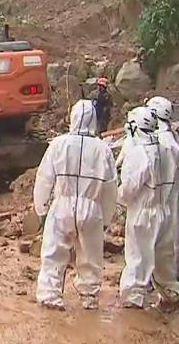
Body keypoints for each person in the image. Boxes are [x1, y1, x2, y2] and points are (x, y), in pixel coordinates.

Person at [32, 99, 118, 311]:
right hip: (91, 207)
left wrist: (41, 208)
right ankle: (89, 298)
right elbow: (110, 187)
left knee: (53, 253)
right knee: (90, 256)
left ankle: (50, 296)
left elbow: (44, 178)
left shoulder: (58, 144)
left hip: (62, 204)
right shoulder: (103, 149)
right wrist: (106, 218)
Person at [117, 106, 178, 310]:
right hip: (164, 210)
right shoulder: (165, 147)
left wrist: (118, 199)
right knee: (164, 258)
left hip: (144, 213)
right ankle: (170, 296)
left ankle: (133, 301)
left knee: (138, 258)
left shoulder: (139, 152)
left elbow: (129, 187)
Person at [146, 95, 179, 311]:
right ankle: (167, 286)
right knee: (170, 242)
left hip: (163, 198)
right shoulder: (172, 137)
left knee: (159, 245)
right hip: (174, 194)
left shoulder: (161, 141)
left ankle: (166, 292)